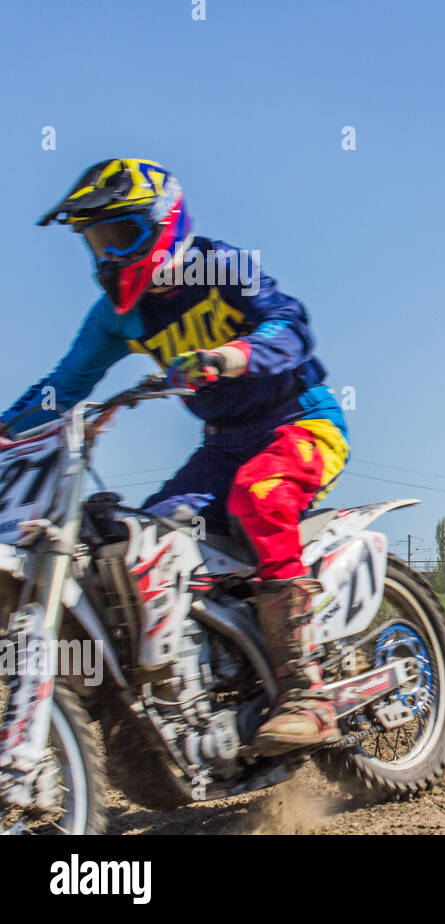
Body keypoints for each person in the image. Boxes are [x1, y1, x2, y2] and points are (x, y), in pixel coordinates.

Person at [0, 158, 348, 755]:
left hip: (300, 423)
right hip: (222, 446)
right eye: (97, 243)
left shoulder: (223, 267)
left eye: (122, 235)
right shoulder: (118, 316)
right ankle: (217, 683)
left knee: (260, 495)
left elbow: (291, 328)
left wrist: (234, 355)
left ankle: (305, 693)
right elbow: (64, 386)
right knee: (152, 539)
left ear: (165, 223)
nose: (110, 257)